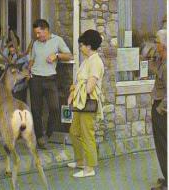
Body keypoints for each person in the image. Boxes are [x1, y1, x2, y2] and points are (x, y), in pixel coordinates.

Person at [28, 19, 72, 149]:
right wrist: (28, 70)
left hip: (50, 79)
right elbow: (31, 59)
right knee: (36, 110)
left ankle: (48, 134)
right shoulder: (35, 44)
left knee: (54, 108)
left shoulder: (57, 40)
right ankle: (40, 138)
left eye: (39, 33)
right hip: (35, 79)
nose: (37, 36)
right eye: (36, 33)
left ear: (46, 30)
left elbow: (69, 55)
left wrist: (56, 56)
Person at [67, 29, 104, 178]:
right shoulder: (87, 61)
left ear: (89, 46)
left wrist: (75, 90)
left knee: (87, 134)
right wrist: (74, 91)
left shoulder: (95, 62)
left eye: (82, 45)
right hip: (81, 102)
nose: (81, 48)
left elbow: (89, 87)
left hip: (88, 103)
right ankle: (81, 161)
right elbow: (80, 83)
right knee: (74, 131)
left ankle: (89, 167)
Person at [150, 29, 167, 190]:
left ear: (163, 44)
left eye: (156, 41)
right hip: (159, 105)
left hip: (162, 108)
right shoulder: (161, 60)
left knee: (163, 144)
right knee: (162, 144)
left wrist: (161, 109)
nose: (155, 44)